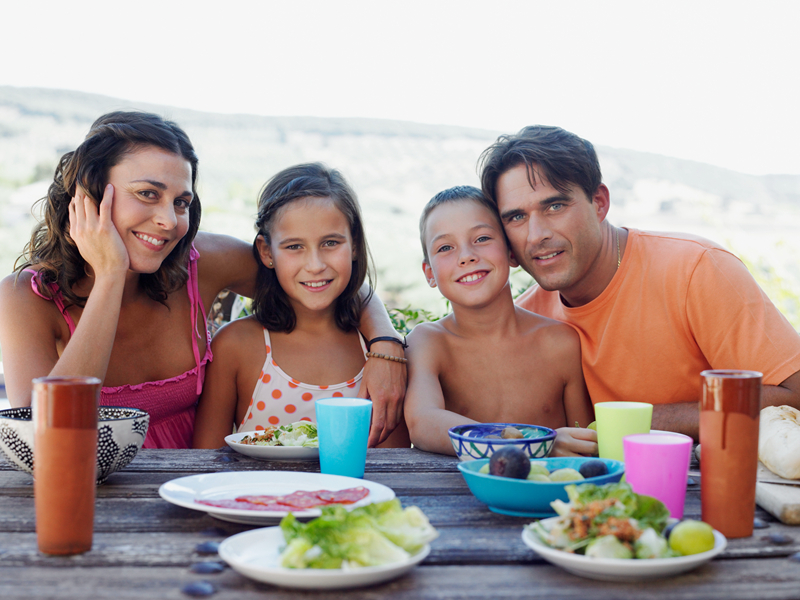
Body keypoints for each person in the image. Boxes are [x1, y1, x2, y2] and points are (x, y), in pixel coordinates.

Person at [0, 112, 406, 448]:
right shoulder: (26, 297)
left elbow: (317, 277)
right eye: (147, 193)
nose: (169, 221)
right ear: (86, 194)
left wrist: (386, 346)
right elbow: (46, 436)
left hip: (195, 487)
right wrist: (109, 274)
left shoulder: (203, 262)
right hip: (91, 498)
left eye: (181, 202)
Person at [478, 125, 800, 440]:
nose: (537, 235)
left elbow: (794, 393)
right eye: (516, 217)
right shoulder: (525, 320)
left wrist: (642, 421)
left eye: (555, 206)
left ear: (599, 203)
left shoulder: (695, 270)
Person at [193, 163, 409, 448]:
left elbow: (395, 463)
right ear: (267, 252)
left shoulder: (381, 354)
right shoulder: (235, 346)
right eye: (294, 246)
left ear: (354, 245)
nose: (316, 265)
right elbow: (205, 461)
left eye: (330, 243)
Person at [403, 185, 596, 456]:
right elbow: (422, 422)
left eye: (482, 238)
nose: (466, 256)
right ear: (429, 273)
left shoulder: (560, 342)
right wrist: (527, 446)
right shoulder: (428, 342)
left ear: (511, 252)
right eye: (445, 247)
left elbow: (583, 439)